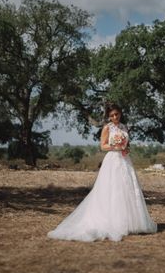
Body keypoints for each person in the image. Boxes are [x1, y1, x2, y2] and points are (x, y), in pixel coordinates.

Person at [47, 103, 158, 242]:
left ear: (120, 113)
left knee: (127, 188)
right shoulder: (107, 127)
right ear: (109, 117)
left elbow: (126, 143)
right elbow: (103, 145)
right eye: (112, 115)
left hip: (124, 160)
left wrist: (125, 148)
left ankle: (130, 222)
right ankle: (113, 222)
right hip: (112, 160)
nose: (115, 117)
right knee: (112, 190)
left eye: (116, 114)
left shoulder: (124, 127)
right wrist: (115, 145)